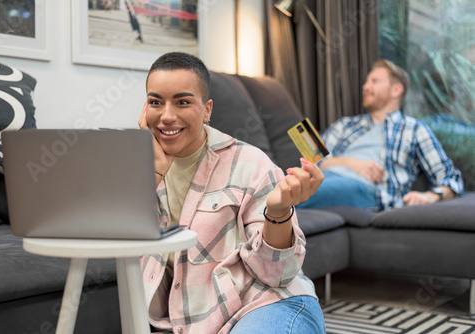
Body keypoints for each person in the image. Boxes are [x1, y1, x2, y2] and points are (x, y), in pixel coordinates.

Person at [137, 52, 326, 334]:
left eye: (183, 102)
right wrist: (152, 172)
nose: (166, 116)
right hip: (192, 323)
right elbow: (115, 241)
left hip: (266, 303)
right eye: (156, 102)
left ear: (207, 109)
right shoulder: (134, 167)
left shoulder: (251, 163)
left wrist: (277, 212)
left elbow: (278, 275)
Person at [297, 59, 464, 211]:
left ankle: (276, 206)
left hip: (367, 189)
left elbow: (451, 178)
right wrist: (351, 163)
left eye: (374, 81)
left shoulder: (413, 129)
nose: (365, 86)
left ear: (396, 90)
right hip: (325, 180)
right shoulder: (345, 123)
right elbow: (311, 159)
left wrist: (429, 197)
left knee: (289, 196)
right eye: (366, 82)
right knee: (285, 184)